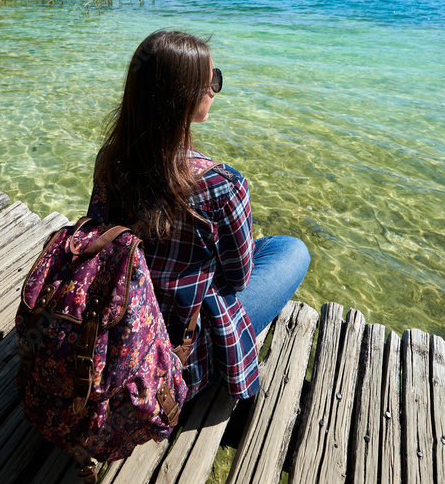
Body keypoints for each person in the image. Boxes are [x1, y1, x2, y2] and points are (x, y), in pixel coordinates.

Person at [87, 29, 310, 400]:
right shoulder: (223, 183)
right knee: (290, 249)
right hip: (180, 355)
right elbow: (238, 280)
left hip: (120, 329)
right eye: (213, 82)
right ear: (185, 98)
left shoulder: (110, 161)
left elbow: (99, 244)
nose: (215, 89)